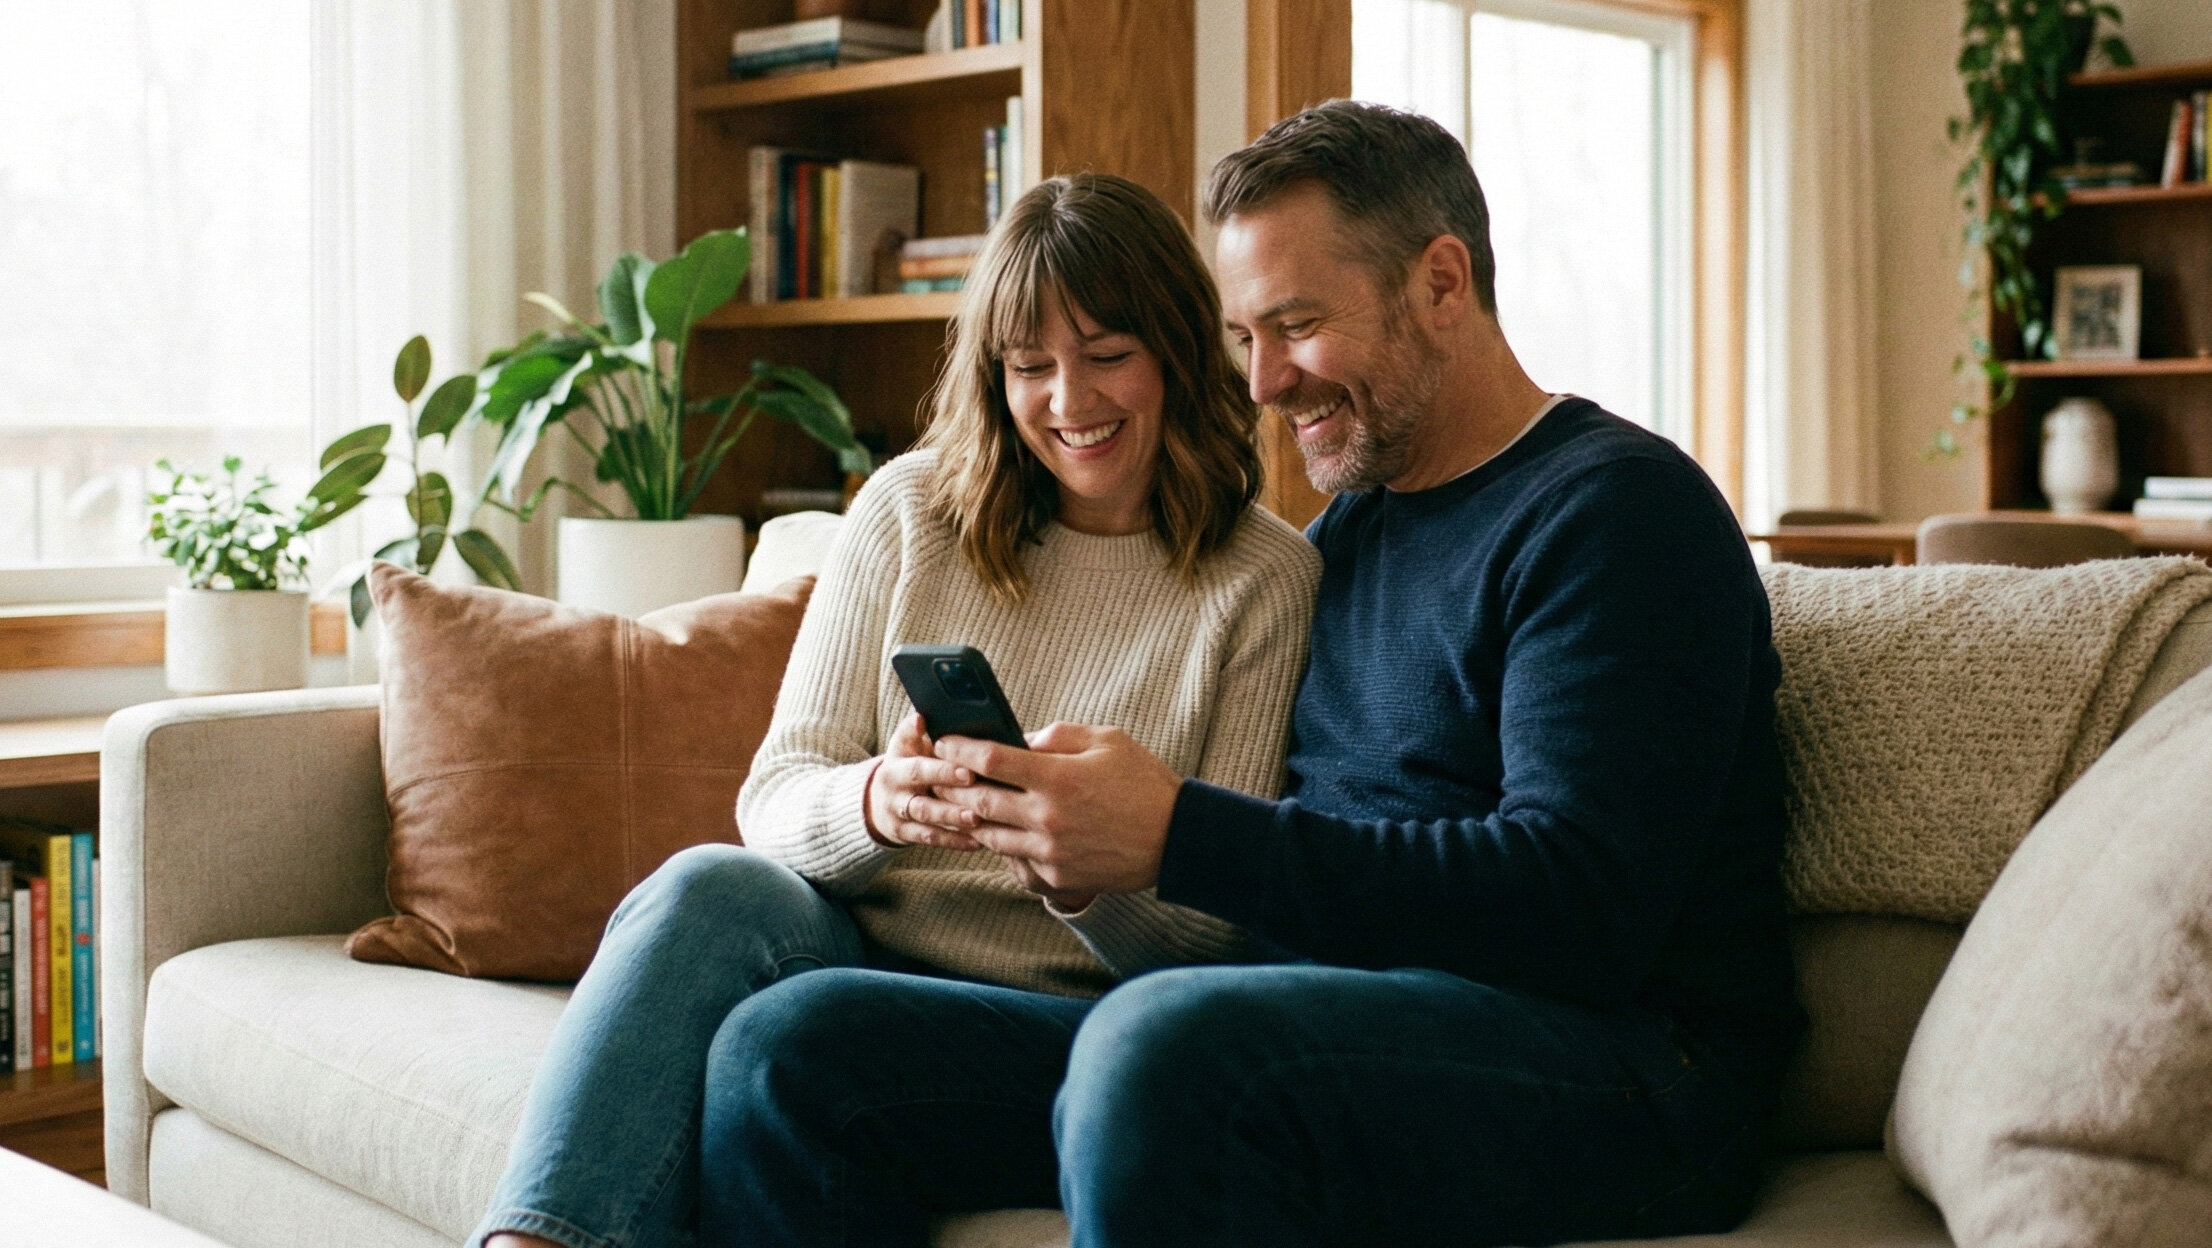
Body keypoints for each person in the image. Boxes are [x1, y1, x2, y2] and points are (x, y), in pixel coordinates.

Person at [911, 101, 1806, 1245]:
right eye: (1244, 338)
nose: (1262, 383)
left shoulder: (1617, 513)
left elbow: (1577, 910)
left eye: (1294, 325)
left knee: (1160, 1051)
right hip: (1328, 1022)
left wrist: (1179, 833)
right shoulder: (1341, 538)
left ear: (1442, 281)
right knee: (803, 1048)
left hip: (1630, 1066)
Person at [470, 173, 1320, 1248]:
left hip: (1074, 1014)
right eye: (1029, 367)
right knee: (704, 887)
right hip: (859, 942)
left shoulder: (1265, 579)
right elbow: (773, 795)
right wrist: (874, 801)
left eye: (1108, 355)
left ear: (1179, 352)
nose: (1070, 401)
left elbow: (1208, 943)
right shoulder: (908, 511)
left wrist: (1078, 871)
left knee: (783, 1041)